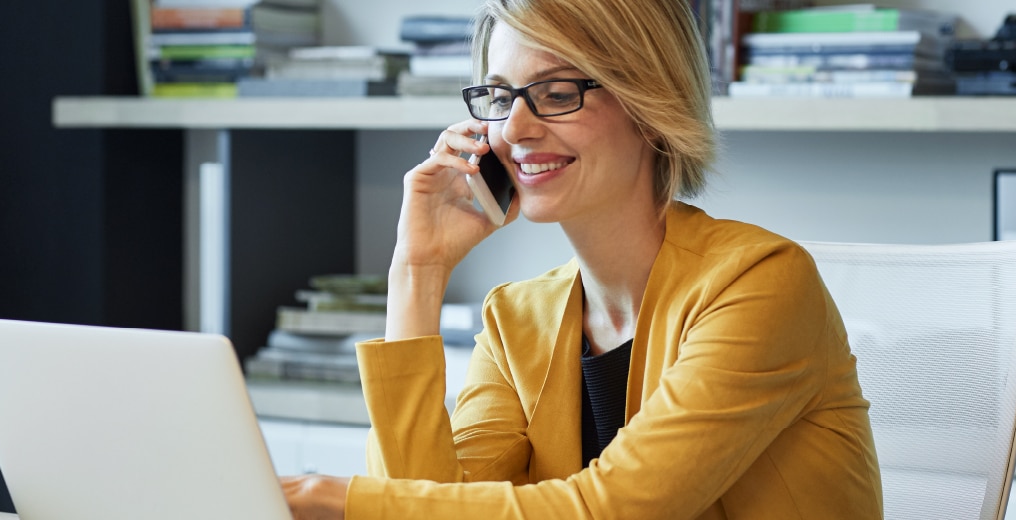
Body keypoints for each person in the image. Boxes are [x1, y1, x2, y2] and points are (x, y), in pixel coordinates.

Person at [280, 0, 883, 518]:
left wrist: (331, 499)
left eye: (557, 93)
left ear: (650, 100)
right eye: (501, 96)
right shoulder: (516, 321)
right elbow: (429, 501)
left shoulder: (760, 283)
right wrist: (418, 272)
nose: (514, 128)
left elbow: (614, 508)